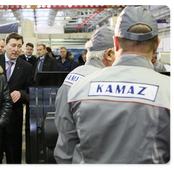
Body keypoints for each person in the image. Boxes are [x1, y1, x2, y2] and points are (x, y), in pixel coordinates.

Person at [60, 7, 171, 165]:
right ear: (157, 45)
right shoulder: (169, 93)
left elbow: (65, 154)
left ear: (116, 43)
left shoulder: (79, 88)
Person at [54, 27, 115, 164]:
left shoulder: (72, 75)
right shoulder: (105, 81)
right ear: (109, 54)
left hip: (68, 157)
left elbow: (63, 126)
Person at [0, 32, 33, 165]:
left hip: (14, 117)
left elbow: (30, 89)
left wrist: (22, 94)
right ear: (5, 45)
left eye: (19, 46)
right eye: (13, 45)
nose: (16, 49)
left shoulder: (27, 67)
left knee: (14, 156)